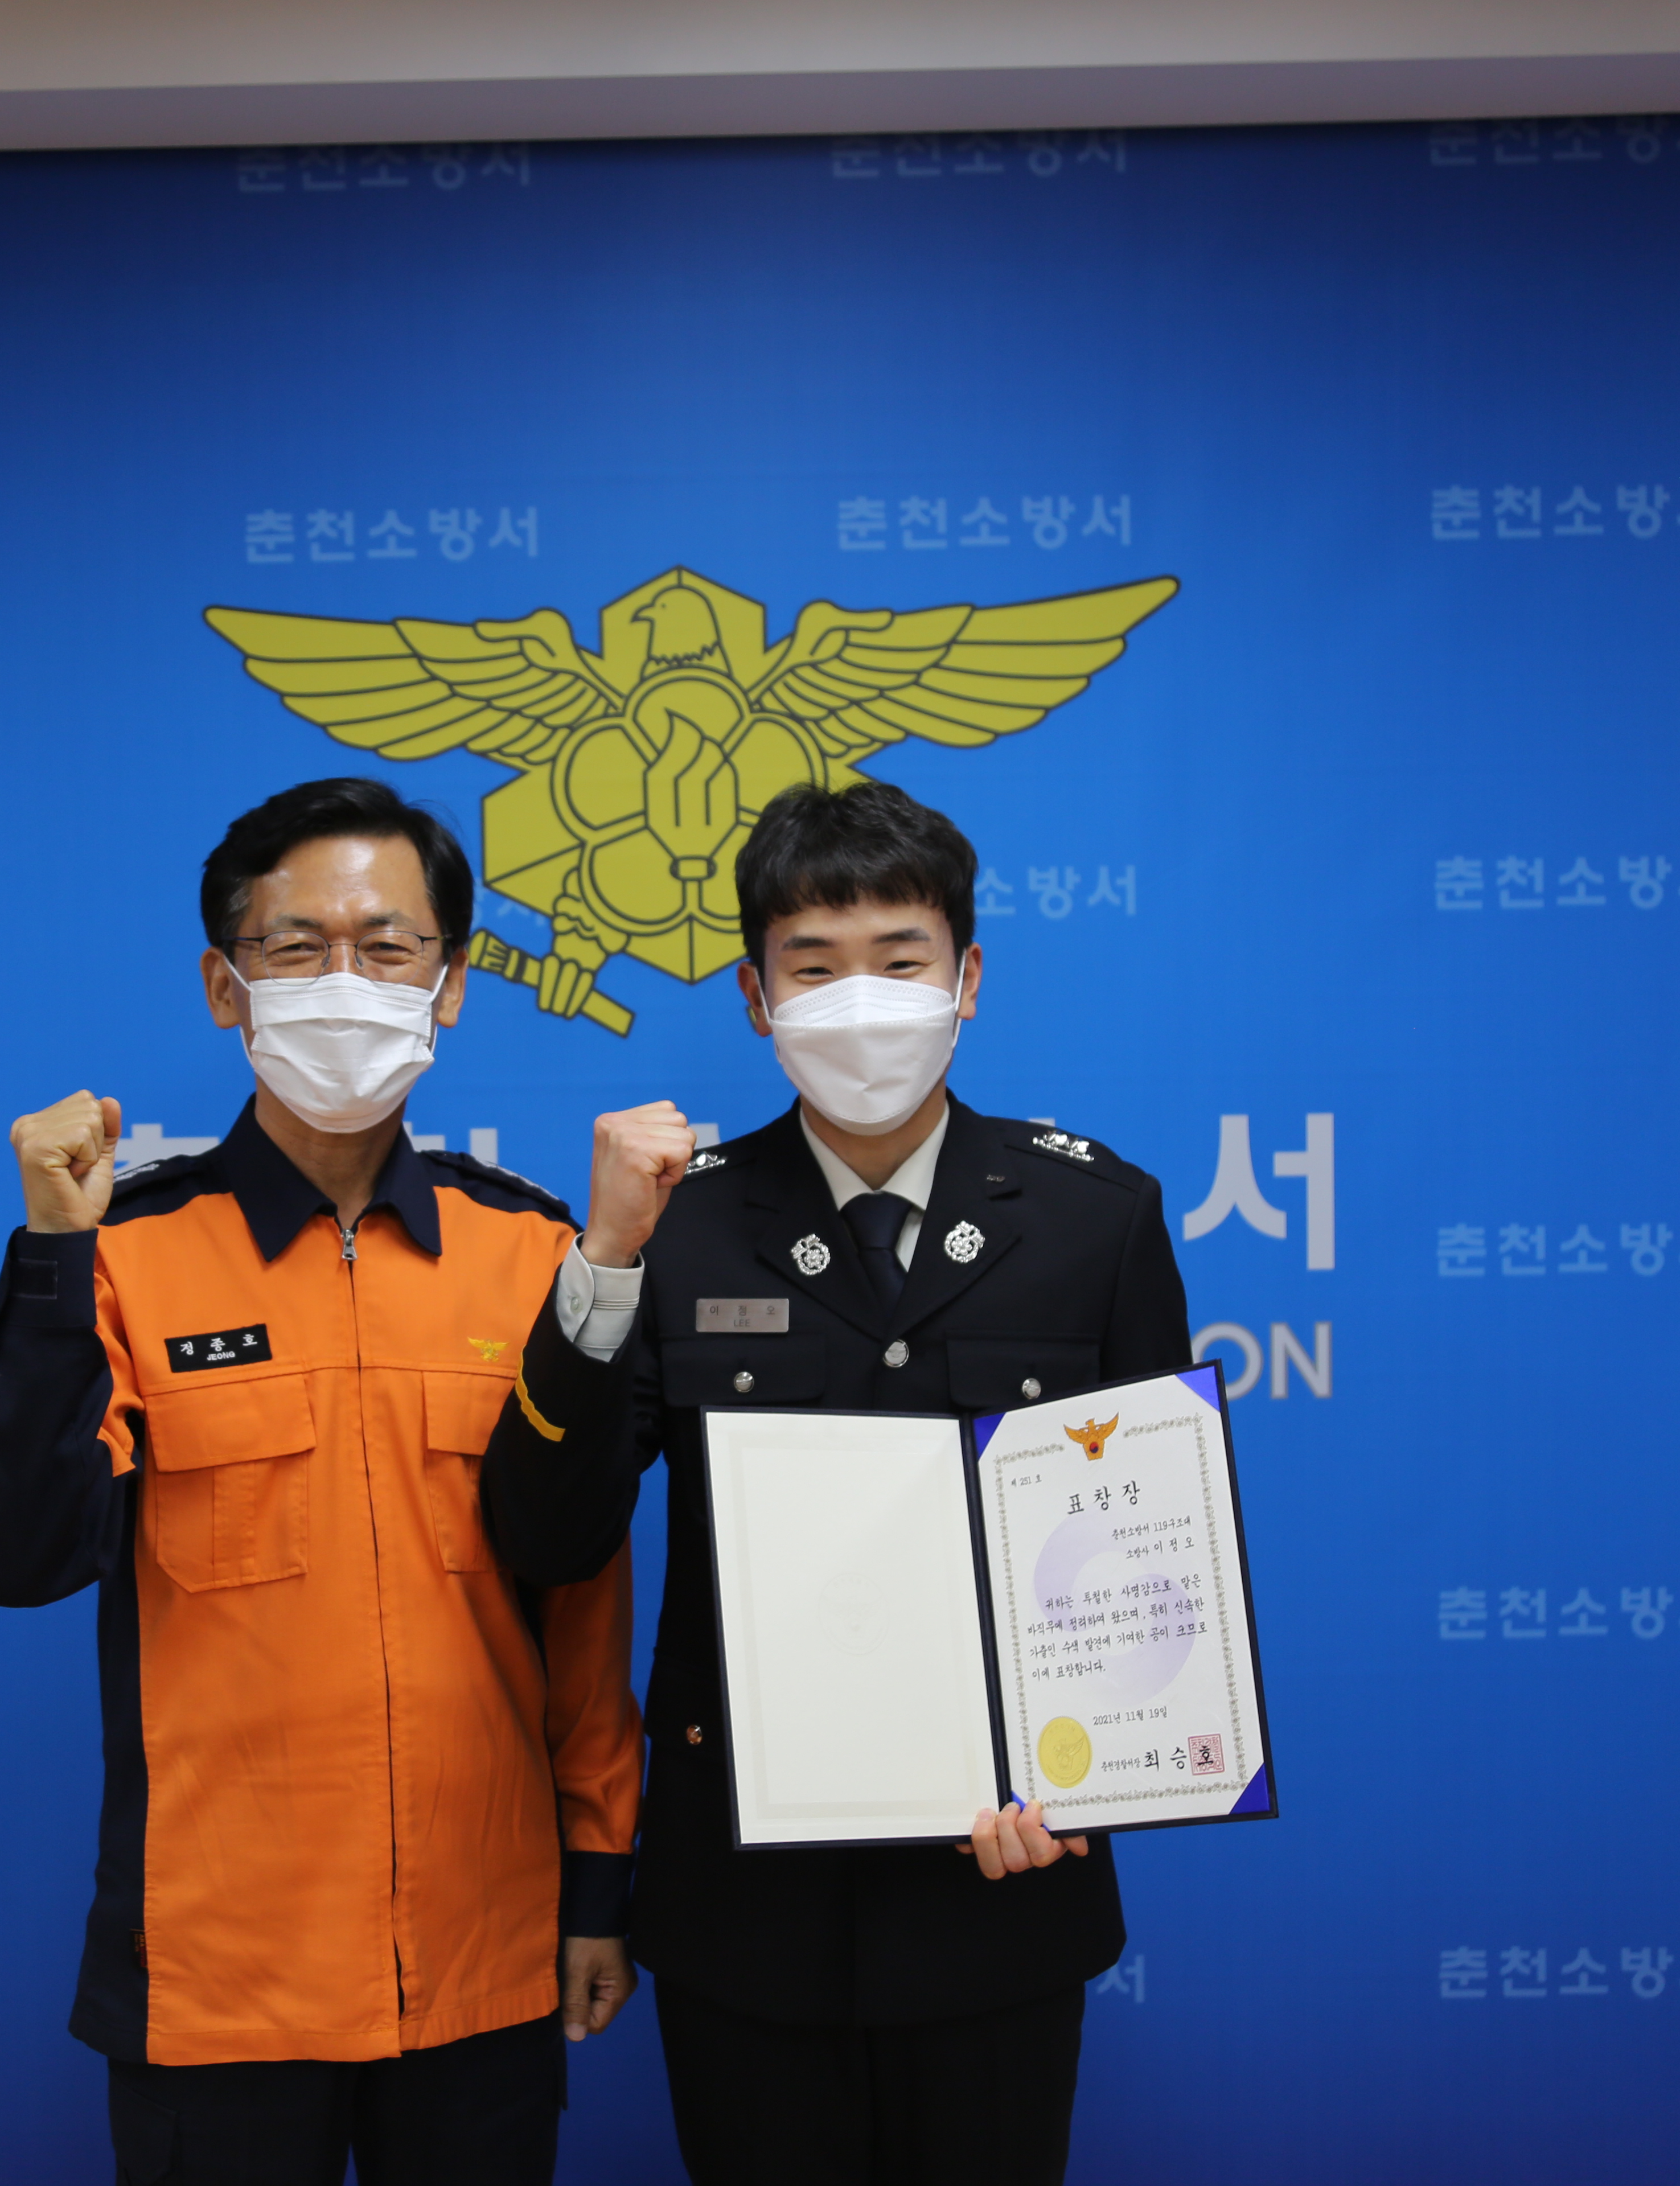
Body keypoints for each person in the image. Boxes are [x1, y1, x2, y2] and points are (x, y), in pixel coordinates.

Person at [480, 779, 1193, 2185]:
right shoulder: (677, 1227)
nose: (861, 1001)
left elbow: (1146, 1557)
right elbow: (547, 1533)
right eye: (814, 967)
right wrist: (603, 1263)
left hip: (1003, 1883)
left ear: (967, 980)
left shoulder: (1093, 1219)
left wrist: (1085, 1779)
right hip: (751, 1902)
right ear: (756, 997)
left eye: (901, 960)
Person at [0, 776, 642, 2186]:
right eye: (297, 947)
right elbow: (18, 1558)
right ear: (227, 986)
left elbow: (583, 1603)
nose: (345, 984)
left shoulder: (534, 1256)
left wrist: (599, 1880)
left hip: (481, 1956)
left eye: (388, 948)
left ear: (450, 987)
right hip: (219, 1977)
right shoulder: (120, 1252)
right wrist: (54, 1258)